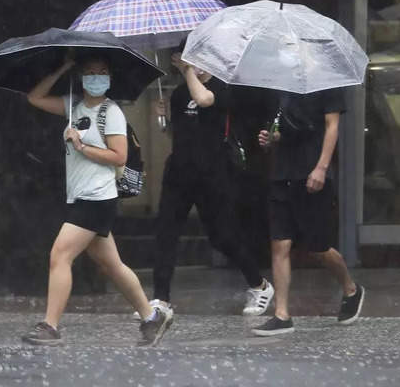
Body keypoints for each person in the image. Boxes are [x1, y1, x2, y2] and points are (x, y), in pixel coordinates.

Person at [21, 53, 175, 346]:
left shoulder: (111, 112)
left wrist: (81, 145)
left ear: (110, 78)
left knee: (60, 256)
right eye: (90, 72)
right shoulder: (73, 107)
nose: (96, 77)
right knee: (112, 265)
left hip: (97, 198)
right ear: (81, 77)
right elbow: (35, 98)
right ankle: (151, 318)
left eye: (102, 72)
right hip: (80, 195)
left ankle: (50, 326)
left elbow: (119, 156)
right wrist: (63, 66)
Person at [144, 51, 275, 319]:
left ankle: (259, 285)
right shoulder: (180, 94)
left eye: (198, 59)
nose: (194, 66)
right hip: (180, 172)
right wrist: (164, 119)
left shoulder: (222, 87)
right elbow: (178, 133)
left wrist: (189, 70)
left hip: (213, 173)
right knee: (166, 233)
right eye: (185, 59)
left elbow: (204, 100)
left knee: (223, 236)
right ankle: (161, 298)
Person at [252, 89, 365, 335]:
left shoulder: (327, 83)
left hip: (313, 172)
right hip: (282, 174)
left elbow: (331, 127)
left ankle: (351, 289)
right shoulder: (281, 87)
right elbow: (286, 130)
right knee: (279, 243)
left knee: (319, 248)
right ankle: (282, 314)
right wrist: (272, 139)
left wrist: (321, 168)